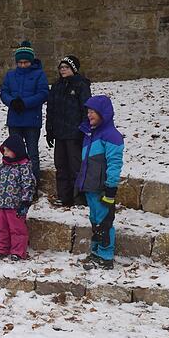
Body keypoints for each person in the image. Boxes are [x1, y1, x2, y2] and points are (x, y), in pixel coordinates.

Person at [75, 95, 124, 270]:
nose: (89, 115)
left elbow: (114, 163)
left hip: (102, 188)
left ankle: (106, 255)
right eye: (88, 111)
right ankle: (96, 252)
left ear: (103, 113)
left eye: (93, 112)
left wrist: (111, 188)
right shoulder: (90, 133)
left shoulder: (111, 135)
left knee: (104, 221)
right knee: (95, 219)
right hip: (90, 186)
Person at [0, 40, 49, 183]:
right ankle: (15, 181)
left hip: (31, 119)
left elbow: (43, 93)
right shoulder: (10, 75)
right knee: (14, 151)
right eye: (20, 62)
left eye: (25, 62)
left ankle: (32, 183)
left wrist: (25, 103)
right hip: (15, 119)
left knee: (32, 152)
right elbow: (4, 92)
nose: (22, 65)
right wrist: (12, 101)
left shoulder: (39, 74)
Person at [46, 55, 92, 207]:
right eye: (61, 68)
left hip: (74, 133)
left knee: (75, 166)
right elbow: (51, 109)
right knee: (61, 165)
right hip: (60, 132)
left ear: (73, 69)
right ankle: (64, 196)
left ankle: (79, 197)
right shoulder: (57, 86)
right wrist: (49, 129)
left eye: (66, 67)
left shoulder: (81, 85)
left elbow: (86, 109)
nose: (63, 70)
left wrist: (84, 129)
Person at [0, 134, 36, 261]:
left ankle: (18, 251)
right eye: (4, 150)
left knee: (17, 229)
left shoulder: (24, 168)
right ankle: (0, 249)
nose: (5, 153)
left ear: (17, 151)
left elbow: (28, 185)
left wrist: (25, 201)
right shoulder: (1, 167)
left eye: (8, 150)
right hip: (1, 205)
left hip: (16, 206)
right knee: (0, 228)